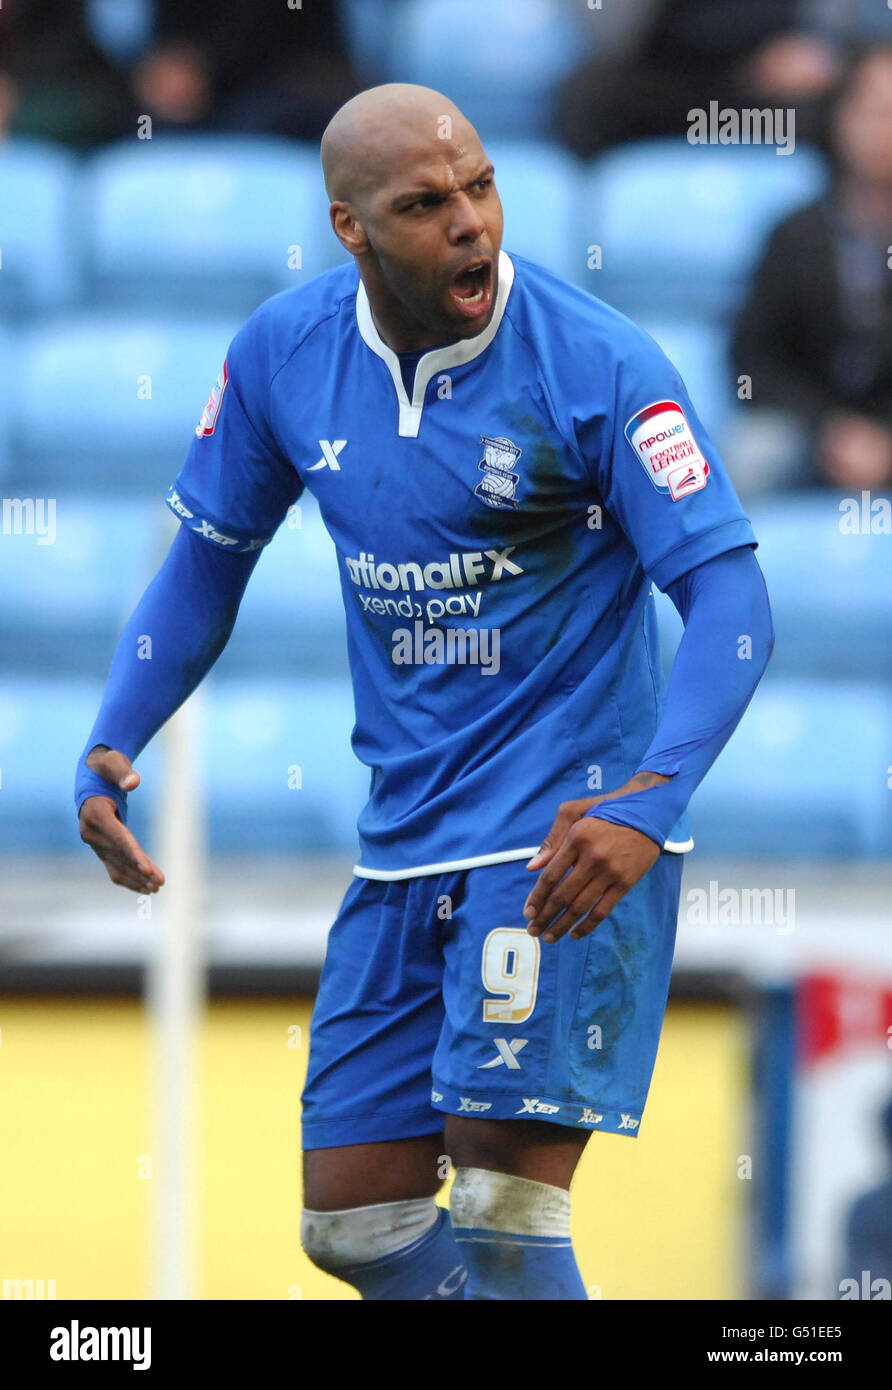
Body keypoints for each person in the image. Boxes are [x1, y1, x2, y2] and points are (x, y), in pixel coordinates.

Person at [75, 84, 773, 1300]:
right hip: (403, 841)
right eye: (424, 203)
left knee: (503, 1212)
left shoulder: (598, 362)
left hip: (566, 834)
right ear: (350, 227)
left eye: (481, 187)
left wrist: (648, 799)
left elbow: (731, 602)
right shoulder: (283, 354)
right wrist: (112, 739)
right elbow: (202, 562)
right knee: (357, 1227)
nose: (469, 224)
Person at [732, 44, 892, 493]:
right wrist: (831, 429)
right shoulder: (794, 234)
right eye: (873, 110)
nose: (884, 130)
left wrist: (884, 438)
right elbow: (753, 359)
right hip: (810, 428)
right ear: (841, 117)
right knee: (753, 453)